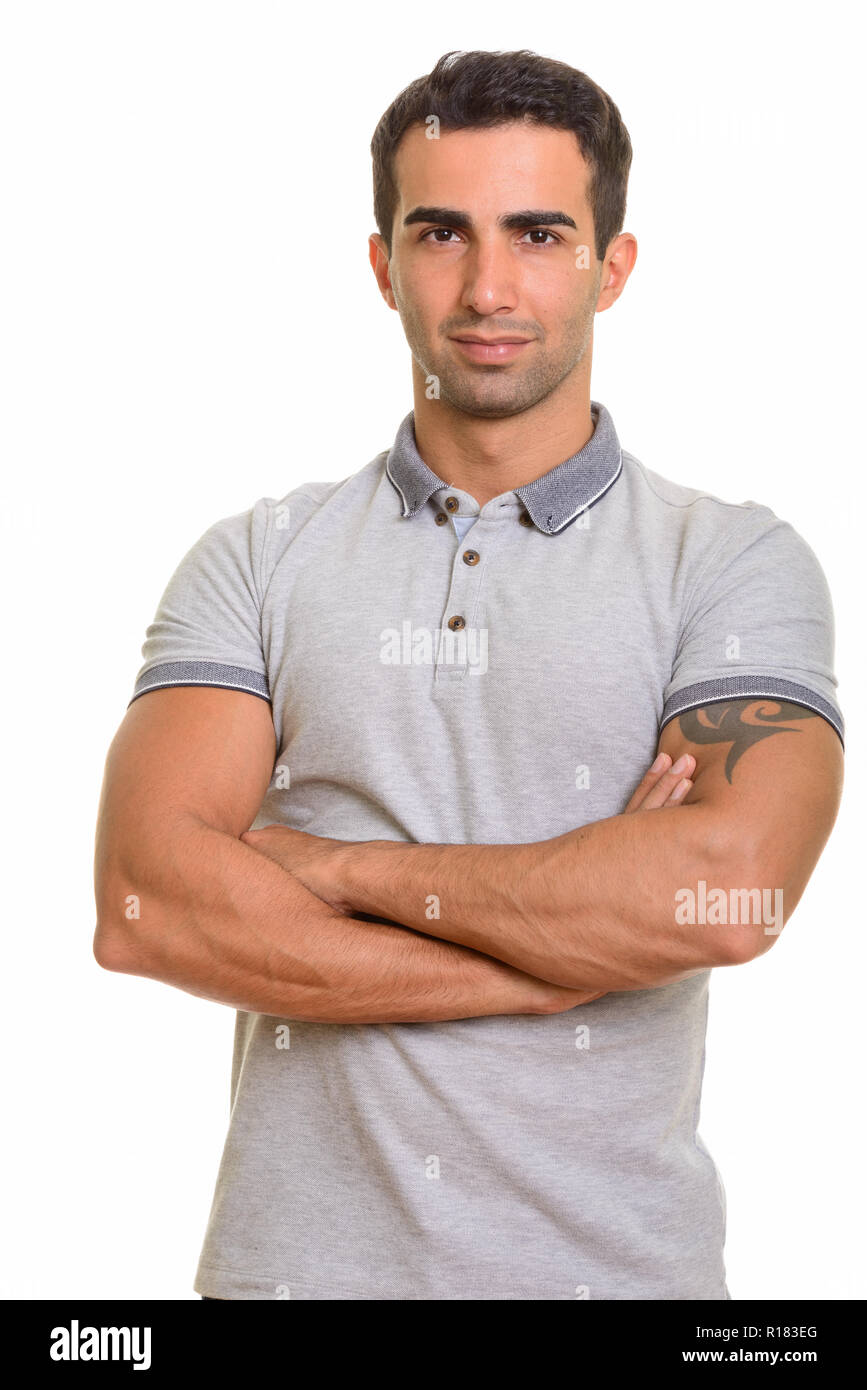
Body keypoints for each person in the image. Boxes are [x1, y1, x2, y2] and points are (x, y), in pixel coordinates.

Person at [93, 49, 844, 1301]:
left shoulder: (733, 562)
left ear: (613, 267)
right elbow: (145, 908)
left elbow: (725, 892)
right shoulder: (258, 560)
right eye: (442, 233)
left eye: (540, 234)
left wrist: (331, 868)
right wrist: (570, 956)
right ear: (384, 264)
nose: (490, 286)